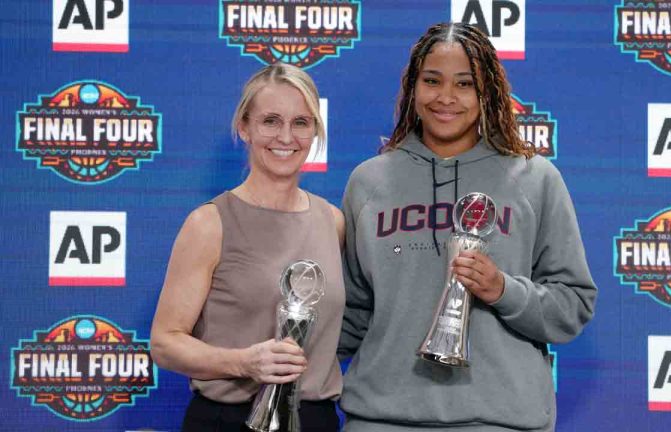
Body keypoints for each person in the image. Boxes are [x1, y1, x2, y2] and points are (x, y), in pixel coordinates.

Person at [338, 23, 597, 431]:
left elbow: (573, 305)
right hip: (382, 417)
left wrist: (504, 290)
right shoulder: (369, 182)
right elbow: (352, 310)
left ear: (488, 92)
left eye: (465, 83)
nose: (446, 97)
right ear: (412, 87)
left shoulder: (534, 179)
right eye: (432, 81)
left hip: (499, 420)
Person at [150, 63, 345, 432]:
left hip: (314, 419)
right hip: (228, 420)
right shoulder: (209, 224)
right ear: (244, 127)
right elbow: (164, 343)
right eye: (270, 120)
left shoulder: (332, 221)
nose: (286, 136)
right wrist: (244, 362)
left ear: (316, 131)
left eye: (301, 123)